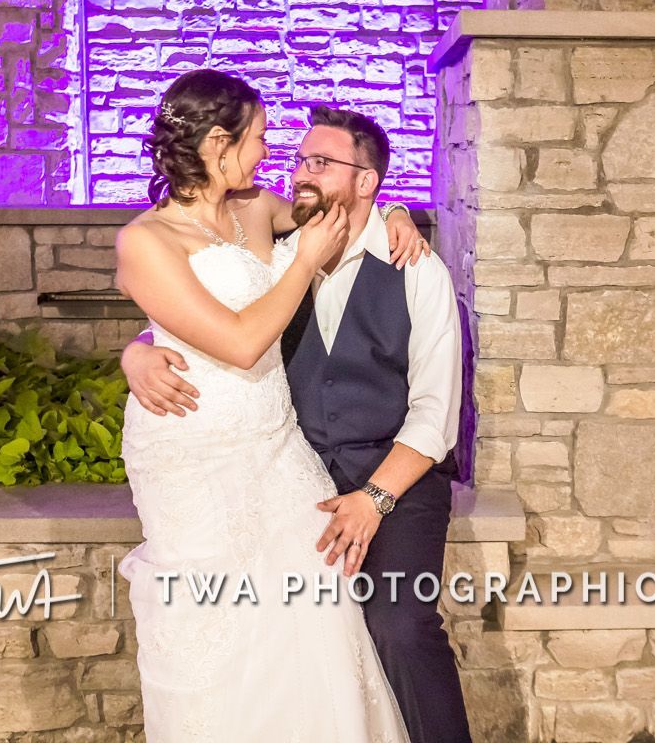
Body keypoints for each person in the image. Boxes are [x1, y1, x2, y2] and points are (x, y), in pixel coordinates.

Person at [122, 101, 475, 743]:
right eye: (297, 157)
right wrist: (137, 351)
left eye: (320, 162)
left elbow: (433, 416)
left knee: (398, 626)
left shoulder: (415, 268)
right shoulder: (278, 247)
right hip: (295, 469)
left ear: (366, 181)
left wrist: (374, 498)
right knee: (285, 629)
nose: (298, 172)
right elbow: (199, 321)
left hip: (393, 477)